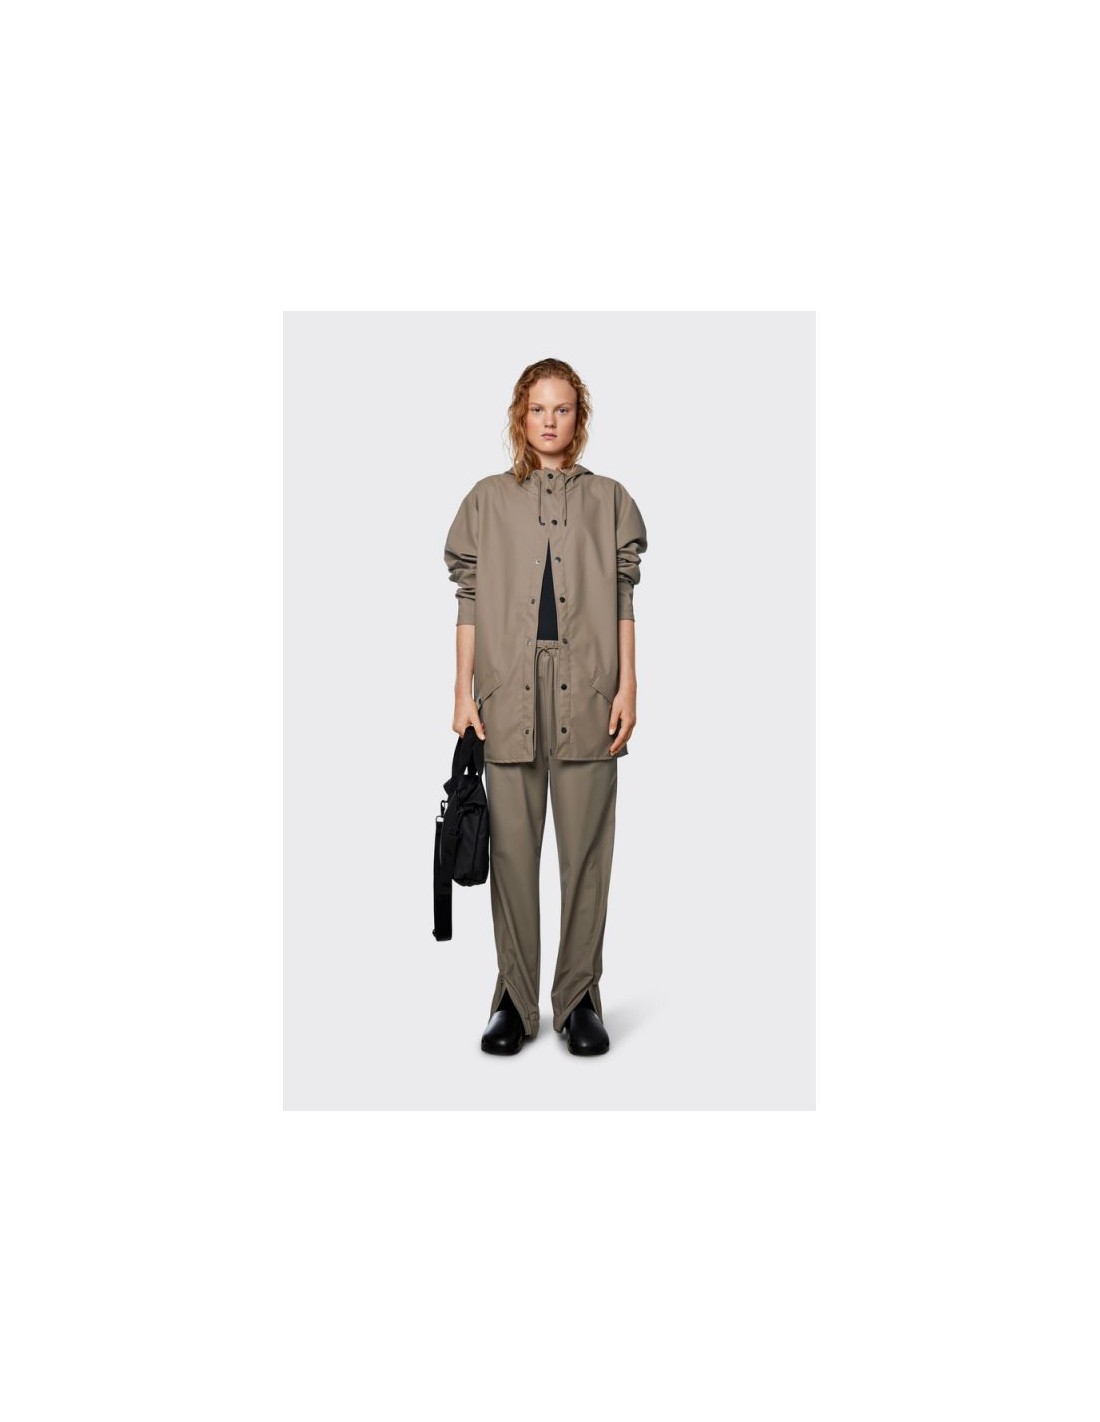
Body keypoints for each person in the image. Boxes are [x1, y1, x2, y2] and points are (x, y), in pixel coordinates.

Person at [443, 357, 648, 1056]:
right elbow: (469, 597)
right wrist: (463, 692)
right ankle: (512, 997)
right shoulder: (486, 500)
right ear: (520, 417)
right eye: (538, 409)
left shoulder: (611, 500)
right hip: (507, 690)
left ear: (578, 418)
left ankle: (579, 998)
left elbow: (622, 594)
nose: (550, 421)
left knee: (586, 856)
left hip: (589, 689)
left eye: (562, 409)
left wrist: (628, 685)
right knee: (511, 856)